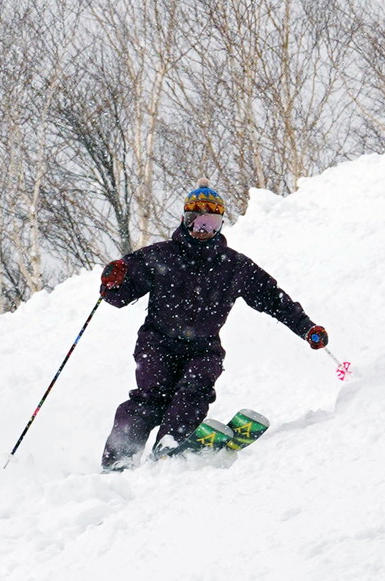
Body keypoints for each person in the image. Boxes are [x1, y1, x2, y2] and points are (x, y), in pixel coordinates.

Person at [98, 182, 327, 471]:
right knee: (151, 397)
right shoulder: (159, 256)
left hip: (203, 347)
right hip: (157, 342)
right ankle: (119, 457)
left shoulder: (233, 266)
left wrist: (306, 328)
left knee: (196, 387)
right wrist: (112, 282)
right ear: (185, 219)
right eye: (196, 221)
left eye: (211, 222)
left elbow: (274, 298)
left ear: (220, 225)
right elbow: (118, 296)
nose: (202, 228)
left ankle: (171, 443)